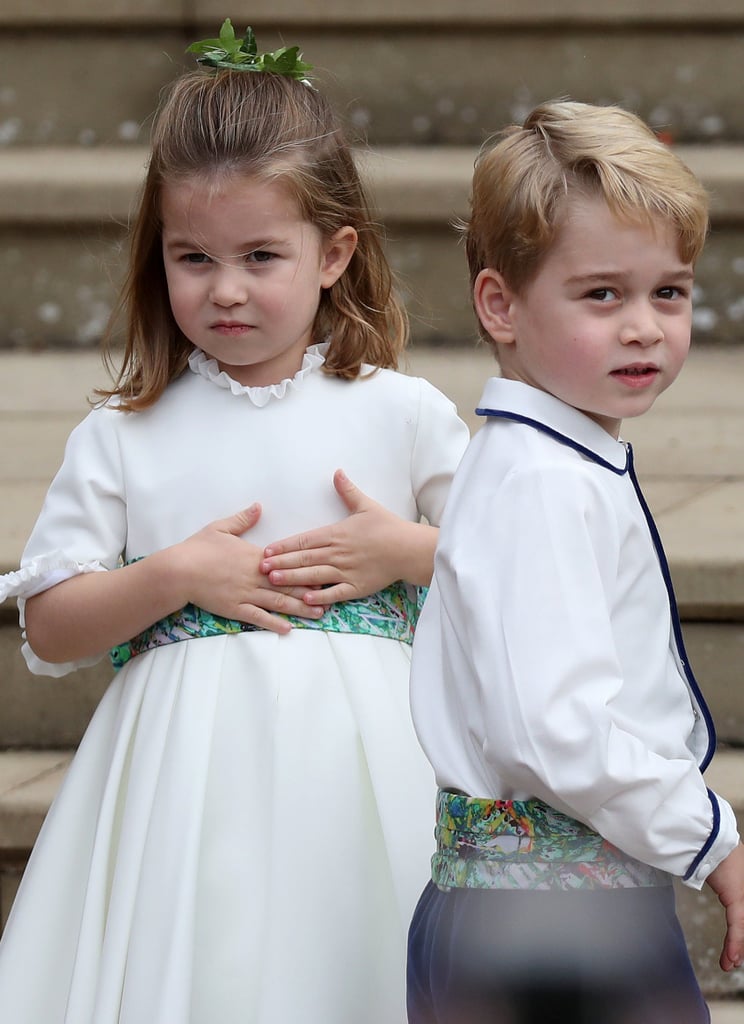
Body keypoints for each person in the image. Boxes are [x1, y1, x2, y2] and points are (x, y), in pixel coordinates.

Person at [0, 23, 469, 1024]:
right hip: (186, 789)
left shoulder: (402, 411)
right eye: (193, 257)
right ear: (156, 256)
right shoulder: (126, 434)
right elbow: (50, 623)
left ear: (335, 251)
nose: (225, 288)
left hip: (367, 778)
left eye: (262, 255)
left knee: (359, 969)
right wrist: (169, 575)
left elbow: (513, 571)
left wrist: (408, 553)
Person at [407, 99, 744, 1024]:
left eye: (667, 292)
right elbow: (556, 728)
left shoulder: (551, 463)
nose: (644, 326)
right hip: (551, 933)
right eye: (603, 294)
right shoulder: (541, 483)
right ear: (500, 305)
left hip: (547, 916)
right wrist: (709, 838)